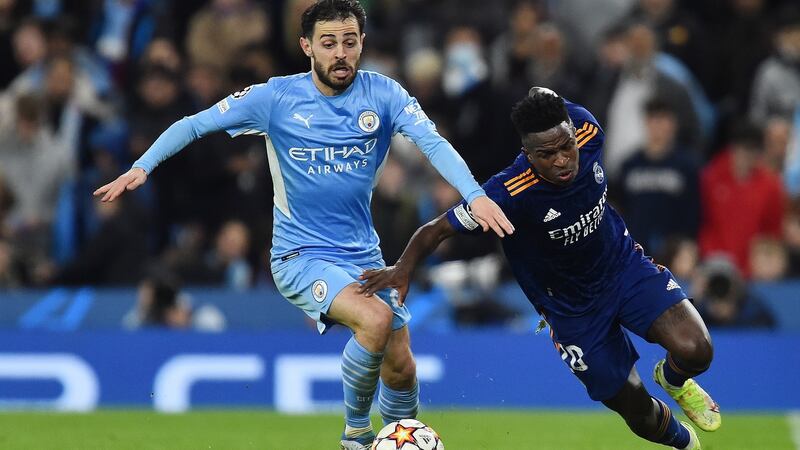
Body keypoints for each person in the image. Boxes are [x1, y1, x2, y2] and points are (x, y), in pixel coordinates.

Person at [93, 1, 513, 448]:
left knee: (402, 365)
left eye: (349, 42)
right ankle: (355, 436)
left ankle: (401, 437)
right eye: (328, 43)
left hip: (363, 254)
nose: (340, 53)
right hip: (300, 256)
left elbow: (433, 143)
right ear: (307, 46)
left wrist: (474, 194)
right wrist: (142, 167)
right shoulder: (275, 98)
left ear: (362, 43)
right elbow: (194, 125)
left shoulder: (384, 95)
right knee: (374, 320)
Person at [360, 88, 719, 450]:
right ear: (528, 154)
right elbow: (436, 230)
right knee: (638, 412)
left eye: (566, 146)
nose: (562, 160)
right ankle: (686, 444)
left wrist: (541, 93)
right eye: (547, 155)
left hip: (624, 269)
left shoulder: (589, 131)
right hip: (572, 311)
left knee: (697, 349)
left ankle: (672, 379)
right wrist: (402, 269)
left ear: (573, 133)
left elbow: (547, 96)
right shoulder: (508, 193)